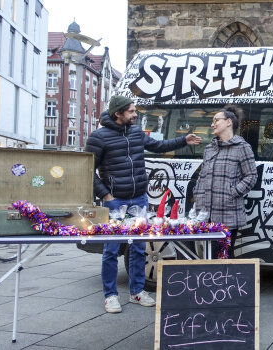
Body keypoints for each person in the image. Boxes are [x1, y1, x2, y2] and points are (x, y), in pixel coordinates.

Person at [85, 95, 201, 313]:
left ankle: (137, 292)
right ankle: (110, 296)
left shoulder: (136, 132)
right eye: (130, 111)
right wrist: (106, 196)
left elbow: (158, 145)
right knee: (111, 250)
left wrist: (183, 140)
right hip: (114, 201)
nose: (135, 114)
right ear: (118, 113)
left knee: (139, 247)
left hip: (139, 198)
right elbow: (86, 170)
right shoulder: (98, 138)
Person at [193, 105, 257, 258]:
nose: (212, 124)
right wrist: (197, 192)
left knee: (222, 256)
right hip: (205, 214)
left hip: (227, 214)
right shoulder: (209, 148)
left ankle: (223, 282)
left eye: (216, 120)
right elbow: (203, 176)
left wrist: (231, 193)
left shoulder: (242, 147)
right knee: (208, 256)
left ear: (229, 122)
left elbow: (251, 176)